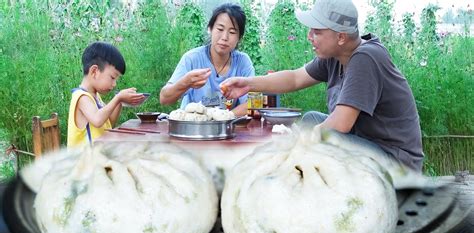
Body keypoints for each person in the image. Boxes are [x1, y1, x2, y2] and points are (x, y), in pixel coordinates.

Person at [221, 0, 424, 172]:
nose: (310, 36)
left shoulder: (366, 58)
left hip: (396, 164)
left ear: (341, 37)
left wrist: (295, 140)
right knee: (311, 120)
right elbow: (294, 78)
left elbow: (341, 124)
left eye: (317, 31)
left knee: (325, 135)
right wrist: (248, 84)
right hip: (366, 146)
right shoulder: (336, 56)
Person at [160, 3, 254, 116]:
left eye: (232, 32)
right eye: (220, 29)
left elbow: (252, 103)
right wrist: (185, 82)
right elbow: (164, 98)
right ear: (210, 29)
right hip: (193, 129)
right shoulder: (192, 58)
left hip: (227, 130)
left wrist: (223, 119)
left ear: (239, 38)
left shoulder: (243, 62)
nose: (224, 37)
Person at [67, 42, 145, 147]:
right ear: (94, 71)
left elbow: (108, 124)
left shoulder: (95, 97)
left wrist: (120, 102)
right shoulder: (81, 97)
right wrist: (118, 98)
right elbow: (97, 120)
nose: (114, 84)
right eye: (112, 77)